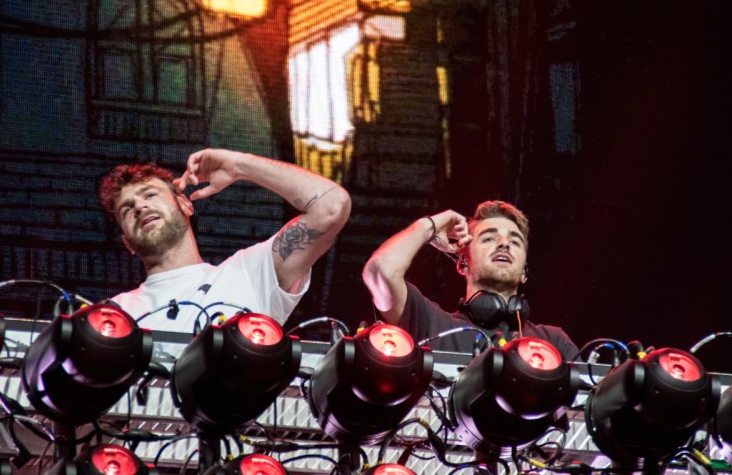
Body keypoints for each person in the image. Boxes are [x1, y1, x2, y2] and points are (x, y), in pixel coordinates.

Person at [98, 148, 351, 332]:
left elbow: (331, 207)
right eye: (127, 209)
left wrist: (240, 165)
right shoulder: (113, 315)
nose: (140, 206)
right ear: (127, 243)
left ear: (185, 204)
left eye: (150, 194)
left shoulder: (248, 273)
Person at [362, 200, 579, 361]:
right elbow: (380, 270)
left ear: (524, 272)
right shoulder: (431, 323)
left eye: (515, 242)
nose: (504, 244)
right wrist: (428, 227)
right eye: (489, 238)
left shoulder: (553, 342)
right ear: (463, 262)